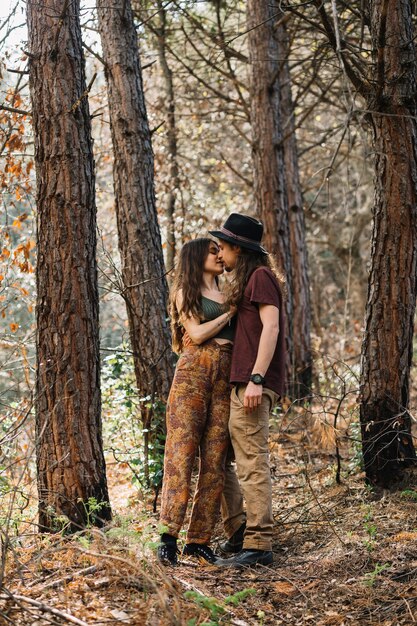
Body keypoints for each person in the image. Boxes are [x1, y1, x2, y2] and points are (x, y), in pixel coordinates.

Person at [209, 213, 286, 568]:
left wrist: (256, 378)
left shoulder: (260, 277)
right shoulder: (247, 280)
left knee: (252, 462)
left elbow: (271, 328)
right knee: (224, 459)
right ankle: (240, 532)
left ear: (239, 249)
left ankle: (259, 545)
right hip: (240, 384)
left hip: (254, 384)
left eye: (223, 247)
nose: (219, 254)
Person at [157, 238, 236, 565]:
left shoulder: (230, 290)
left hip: (224, 377)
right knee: (181, 453)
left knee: (216, 459)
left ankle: (199, 541)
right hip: (194, 372)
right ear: (195, 258)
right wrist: (230, 313)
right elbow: (199, 334)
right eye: (212, 251)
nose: (219, 255)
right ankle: (168, 536)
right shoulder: (184, 293)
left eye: (220, 251)